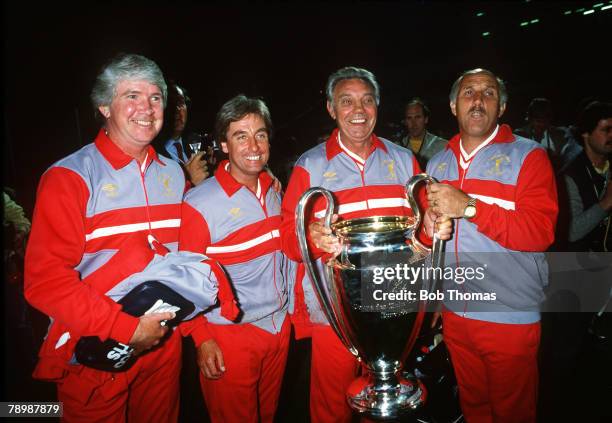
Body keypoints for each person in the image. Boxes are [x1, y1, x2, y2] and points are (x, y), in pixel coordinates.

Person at [23, 53, 228, 422]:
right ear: (104, 106)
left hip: (161, 346)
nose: (146, 108)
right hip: (96, 346)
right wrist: (127, 329)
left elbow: (180, 264)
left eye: (154, 97)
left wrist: (198, 332)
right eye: (131, 96)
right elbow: (45, 281)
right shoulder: (69, 177)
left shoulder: (172, 175)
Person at [280, 66, 451, 423]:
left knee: (386, 406)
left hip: (394, 309)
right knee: (331, 407)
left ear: (378, 106)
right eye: (347, 101)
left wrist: (431, 228)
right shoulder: (309, 166)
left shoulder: (403, 160)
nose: (358, 110)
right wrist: (309, 236)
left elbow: (419, 238)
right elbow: (288, 241)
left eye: (367, 100)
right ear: (331, 108)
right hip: (338, 316)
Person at [426, 68, 558, 423]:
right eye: (469, 93)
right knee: (474, 410)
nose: (478, 101)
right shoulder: (437, 162)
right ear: (454, 105)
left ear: (502, 107)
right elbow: (433, 242)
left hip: (509, 315)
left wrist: (469, 207)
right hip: (456, 316)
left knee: (513, 413)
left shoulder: (528, 157)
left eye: (488, 93)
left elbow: (540, 232)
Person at [179, 95, 291, 422]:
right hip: (229, 336)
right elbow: (185, 281)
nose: (253, 145)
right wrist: (201, 338)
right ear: (224, 145)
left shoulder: (275, 189)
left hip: (278, 327)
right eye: (240, 135)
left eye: (260, 134)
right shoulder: (199, 203)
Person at [560, 100, 611, 252]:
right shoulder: (569, 176)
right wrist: (606, 203)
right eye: (606, 130)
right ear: (585, 133)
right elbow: (571, 232)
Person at [157, 81, 210, 186]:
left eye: (180, 103)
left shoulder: (197, 143)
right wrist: (189, 180)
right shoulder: (153, 153)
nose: (176, 110)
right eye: (170, 104)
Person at [514, 97, 571, 171]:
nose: (541, 124)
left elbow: (568, 162)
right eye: (537, 120)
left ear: (550, 119)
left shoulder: (560, 135)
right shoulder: (519, 136)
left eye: (544, 120)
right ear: (530, 119)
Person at [395, 97, 447, 167]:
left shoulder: (443, 146)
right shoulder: (397, 147)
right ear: (405, 122)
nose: (414, 123)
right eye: (409, 118)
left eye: (418, 117)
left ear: (426, 119)